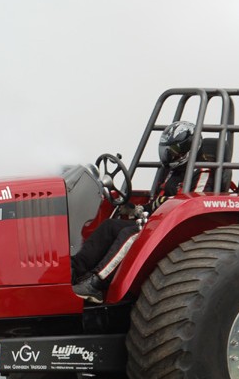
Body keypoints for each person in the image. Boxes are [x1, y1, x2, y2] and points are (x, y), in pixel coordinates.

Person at [71, 120, 204, 303]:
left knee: (131, 234)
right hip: (158, 221)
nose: (168, 155)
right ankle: (74, 271)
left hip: (177, 226)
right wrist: (139, 209)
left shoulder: (203, 172)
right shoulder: (172, 171)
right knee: (110, 226)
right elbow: (157, 202)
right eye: (166, 150)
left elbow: (194, 203)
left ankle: (96, 283)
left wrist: (159, 207)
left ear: (188, 148)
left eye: (172, 151)